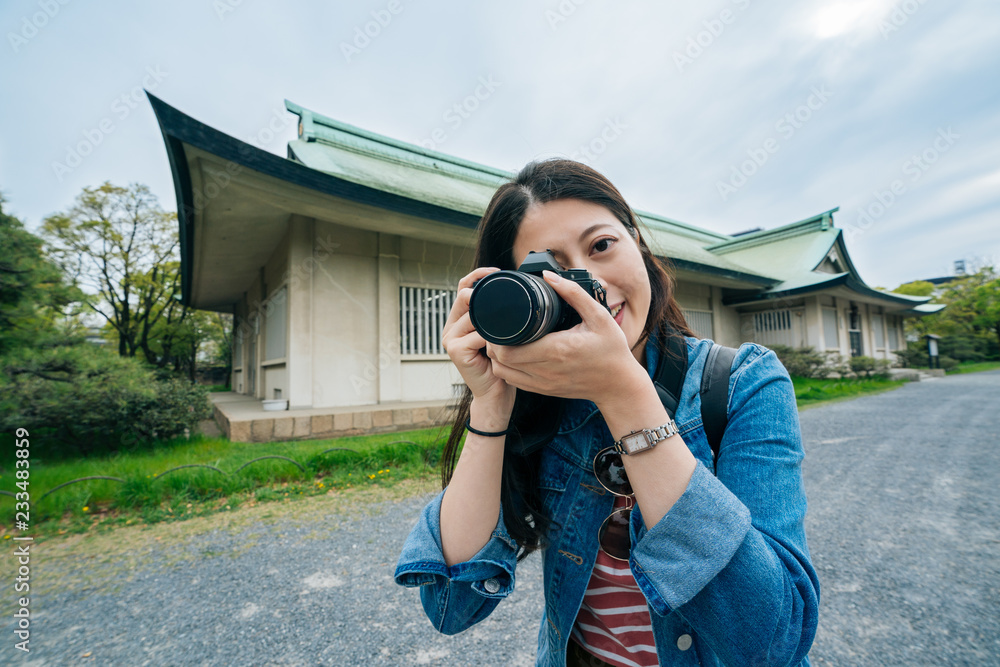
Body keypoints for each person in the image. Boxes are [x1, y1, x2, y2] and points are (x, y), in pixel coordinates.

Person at [395, 159, 820, 666]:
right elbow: (451, 606)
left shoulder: (742, 384)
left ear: (637, 244)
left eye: (601, 246)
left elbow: (773, 642)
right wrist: (491, 401)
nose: (587, 283)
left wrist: (623, 394)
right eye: (551, 270)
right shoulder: (535, 400)